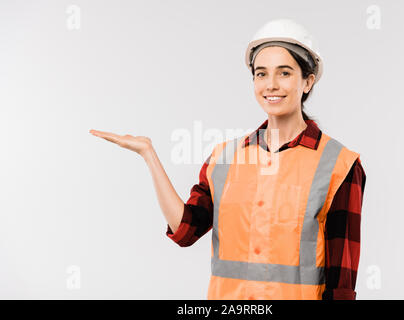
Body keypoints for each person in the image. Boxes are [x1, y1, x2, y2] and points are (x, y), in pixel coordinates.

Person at [89, 18, 366, 300]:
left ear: (307, 81)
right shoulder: (225, 158)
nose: (271, 85)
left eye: (284, 73)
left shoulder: (339, 164)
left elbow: (341, 282)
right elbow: (185, 230)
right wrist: (149, 155)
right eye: (261, 74)